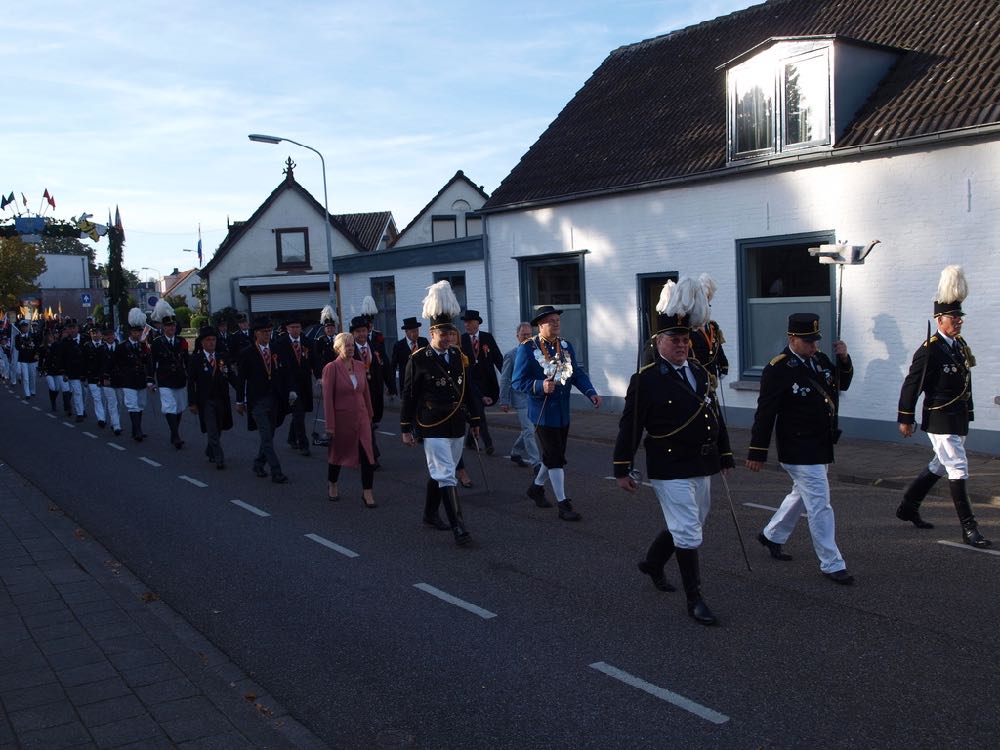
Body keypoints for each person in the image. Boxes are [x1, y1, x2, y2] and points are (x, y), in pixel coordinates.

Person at [613, 278, 733, 625]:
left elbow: (714, 414)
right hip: (668, 464)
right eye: (674, 340)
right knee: (688, 532)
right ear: (659, 342)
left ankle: (652, 562)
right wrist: (622, 467)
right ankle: (695, 599)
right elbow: (630, 427)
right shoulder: (646, 379)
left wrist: (725, 454)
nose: (681, 345)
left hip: (701, 461)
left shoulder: (698, 370)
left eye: (684, 339)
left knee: (693, 523)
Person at [746, 312, 855, 585]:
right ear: (792, 339)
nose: (814, 346)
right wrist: (757, 450)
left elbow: (841, 383)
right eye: (807, 341)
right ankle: (831, 562)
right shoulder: (778, 368)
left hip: (820, 443)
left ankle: (772, 534)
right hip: (797, 446)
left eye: (815, 340)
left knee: (801, 494)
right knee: (820, 504)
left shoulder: (818, 360)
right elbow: (765, 413)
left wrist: (843, 359)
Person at [896, 265, 990, 547]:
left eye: (960, 317)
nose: (959, 321)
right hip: (939, 418)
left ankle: (909, 506)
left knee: (940, 464)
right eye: (954, 317)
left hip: (957, 415)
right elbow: (912, 385)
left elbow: (965, 382)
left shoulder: (960, 346)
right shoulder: (930, 349)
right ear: (939, 319)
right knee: (958, 467)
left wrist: (969, 411)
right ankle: (969, 528)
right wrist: (905, 417)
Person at [400, 280, 481, 545]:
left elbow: (469, 389)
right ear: (431, 333)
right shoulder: (419, 358)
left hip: (457, 423)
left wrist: (476, 419)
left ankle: (429, 514)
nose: (447, 338)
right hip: (432, 423)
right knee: (447, 473)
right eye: (442, 334)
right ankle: (460, 528)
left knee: (441, 473)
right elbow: (410, 394)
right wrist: (405, 427)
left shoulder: (459, 356)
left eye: (450, 333)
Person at [512, 306, 602, 521]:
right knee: (556, 459)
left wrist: (591, 392)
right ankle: (563, 504)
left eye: (557, 320)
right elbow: (517, 381)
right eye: (551, 321)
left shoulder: (565, 346)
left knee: (552, 456)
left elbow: (576, 373)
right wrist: (538, 386)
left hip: (562, 411)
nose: (556, 323)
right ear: (540, 325)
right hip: (542, 413)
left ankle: (536, 488)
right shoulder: (527, 348)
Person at [322, 332, 377, 507]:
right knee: (337, 454)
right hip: (341, 420)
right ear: (338, 348)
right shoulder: (331, 368)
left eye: (352, 345)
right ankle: (333, 483)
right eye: (347, 345)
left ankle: (367, 492)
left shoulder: (360, 366)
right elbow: (327, 399)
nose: (351, 348)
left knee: (368, 455)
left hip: (361, 418)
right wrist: (330, 425)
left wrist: (370, 415)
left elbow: (366, 392)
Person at [235, 316, 291, 484]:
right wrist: (239, 401)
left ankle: (258, 463)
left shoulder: (276, 349)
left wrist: (290, 391)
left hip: (274, 399)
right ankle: (276, 471)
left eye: (269, 331)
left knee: (270, 434)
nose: (267, 334)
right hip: (257, 400)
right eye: (264, 332)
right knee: (266, 436)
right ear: (255, 334)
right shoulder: (247, 352)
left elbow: (284, 373)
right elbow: (241, 379)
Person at [187, 326, 236, 470]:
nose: (211, 342)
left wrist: (242, 389)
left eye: (213, 340)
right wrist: (192, 403)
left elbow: (231, 376)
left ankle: (210, 449)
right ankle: (219, 457)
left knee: (220, 426)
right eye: (208, 340)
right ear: (202, 342)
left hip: (221, 398)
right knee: (212, 428)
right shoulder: (196, 359)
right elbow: (191, 383)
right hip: (205, 400)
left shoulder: (222, 358)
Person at [499, 322, 541, 470]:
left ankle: (516, 452)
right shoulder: (511, 355)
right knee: (529, 431)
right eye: (524, 335)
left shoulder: (539, 353)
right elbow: (505, 378)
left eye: (530, 334)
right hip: (521, 398)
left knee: (530, 429)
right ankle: (536, 463)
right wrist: (504, 400)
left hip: (536, 397)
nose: (527, 337)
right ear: (517, 337)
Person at [461, 310, 504, 455]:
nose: (467, 325)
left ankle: (470, 441)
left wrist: (507, 377)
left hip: (487, 382)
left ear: (477, 323)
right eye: (465, 322)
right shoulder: (462, 340)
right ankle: (488, 444)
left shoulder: (487, 338)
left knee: (477, 412)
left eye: (470, 322)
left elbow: (498, 358)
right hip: (470, 382)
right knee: (479, 412)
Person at [351, 315, 392, 467]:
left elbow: (386, 366)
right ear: (353, 334)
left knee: (370, 423)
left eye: (364, 331)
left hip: (375, 391)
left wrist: (391, 387)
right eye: (358, 332)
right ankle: (372, 456)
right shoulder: (349, 349)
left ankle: (361, 453)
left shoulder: (375, 347)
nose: (361, 334)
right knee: (365, 424)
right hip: (358, 394)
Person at [149, 301, 190, 449]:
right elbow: (152, 362)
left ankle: (174, 433)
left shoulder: (182, 341)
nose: (171, 328)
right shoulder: (157, 343)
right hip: (165, 378)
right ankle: (176, 435)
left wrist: (191, 376)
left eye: (173, 326)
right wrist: (150, 380)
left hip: (179, 377)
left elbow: (186, 360)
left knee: (179, 407)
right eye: (168, 326)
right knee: (169, 406)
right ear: (163, 327)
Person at [275, 317, 314, 456]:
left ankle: (291, 438)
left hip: (304, 383)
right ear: (287, 329)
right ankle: (303, 444)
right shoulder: (280, 343)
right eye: (292, 327)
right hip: (289, 384)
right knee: (298, 412)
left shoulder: (307, 342)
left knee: (301, 413)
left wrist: (321, 376)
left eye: (298, 327)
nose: (295, 330)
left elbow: (314, 359)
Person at [116, 308, 154, 442]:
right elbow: (117, 364)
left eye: (139, 331)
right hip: (128, 380)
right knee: (132, 405)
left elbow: (148, 361)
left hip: (140, 379)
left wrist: (150, 379)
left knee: (141, 404)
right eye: (135, 331)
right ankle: (138, 430)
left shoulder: (143, 346)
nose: (137, 334)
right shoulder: (122, 346)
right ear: (130, 332)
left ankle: (135, 429)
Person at [689, 273, 729, 387]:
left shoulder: (713, 327)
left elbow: (717, 348)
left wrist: (723, 364)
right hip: (697, 375)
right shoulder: (690, 330)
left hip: (712, 375)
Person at [58, 319, 87, 422]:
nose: (72, 330)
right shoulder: (65, 342)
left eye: (73, 328)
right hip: (72, 371)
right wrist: (64, 372)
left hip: (84, 371)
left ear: (77, 328)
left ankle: (83, 409)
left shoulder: (85, 340)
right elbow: (62, 357)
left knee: (84, 393)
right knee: (77, 392)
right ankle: (79, 413)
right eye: (70, 328)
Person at [389, 317, 428, 395]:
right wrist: (391, 386)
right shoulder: (399, 345)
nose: (415, 333)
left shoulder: (424, 341)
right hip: (406, 383)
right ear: (406, 332)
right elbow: (393, 366)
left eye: (417, 330)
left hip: (423, 382)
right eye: (412, 331)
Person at [97, 326, 123, 436]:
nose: (110, 337)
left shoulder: (120, 347)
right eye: (107, 335)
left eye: (111, 334)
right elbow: (98, 366)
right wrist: (101, 378)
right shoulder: (100, 349)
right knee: (112, 402)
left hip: (119, 378)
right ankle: (117, 426)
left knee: (120, 403)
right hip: (107, 379)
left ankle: (114, 422)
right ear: (103, 337)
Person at [14, 320, 39, 401]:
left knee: (32, 376)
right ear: (20, 328)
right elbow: (17, 347)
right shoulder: (18, 337)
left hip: (32, 359)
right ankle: (27, 393)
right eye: (23, 327)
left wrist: (36, 354)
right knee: (25, 377)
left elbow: (36, 346)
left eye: (26, 326)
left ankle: (32, 390)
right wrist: (22, 342)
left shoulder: (33, 336)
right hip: (23, 359)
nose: (25, 328)